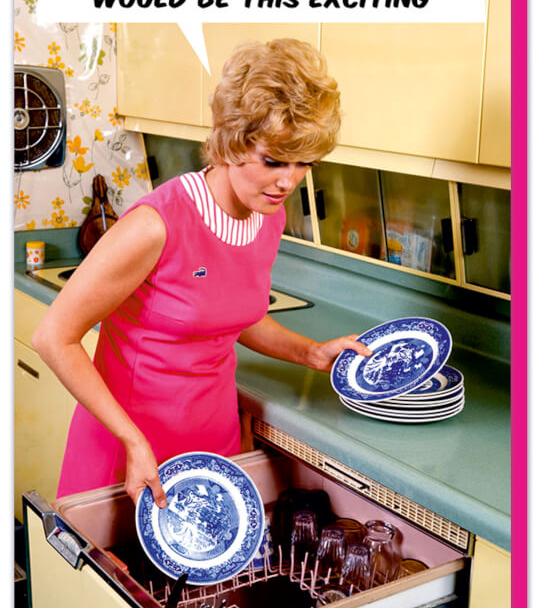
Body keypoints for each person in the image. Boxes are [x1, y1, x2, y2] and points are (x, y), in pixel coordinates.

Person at [32, 38, 371, 509]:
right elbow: (53, 337)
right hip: (130, 449)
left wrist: (311, 353)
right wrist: (131, 440)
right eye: (273, 160)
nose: (288, 181)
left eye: (303, 163)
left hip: (212, 441)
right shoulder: (155, 226)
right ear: (231, 141)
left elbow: (235, 312)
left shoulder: (267, 215)